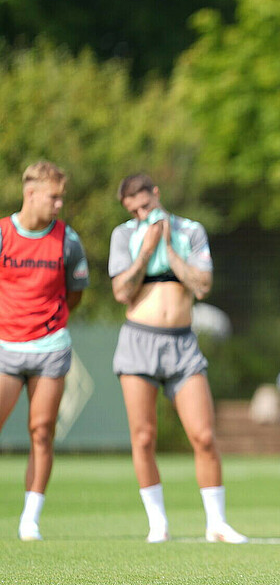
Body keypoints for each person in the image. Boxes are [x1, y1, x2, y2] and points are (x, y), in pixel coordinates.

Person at [109, 174, 247, 544]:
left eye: (144, 205)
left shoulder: (191, 231)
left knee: (203, 435)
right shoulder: (124, 235)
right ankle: (158, 524)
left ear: (157, 193)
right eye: (133, 210)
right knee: (143, 437)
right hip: (139, 342)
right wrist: (146, 249)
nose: (141, 214)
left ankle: (216, 523)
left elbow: (202, 285)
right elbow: (121, 291)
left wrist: (168, 249)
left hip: (183, 344)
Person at [0, 161, 89, 541]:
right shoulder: (3, 234)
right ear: (31, 193)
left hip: (50, 347)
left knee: (42, 431)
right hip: (5, 346)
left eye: (61, 198)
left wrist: (49, 321)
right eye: (53, 197)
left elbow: (76, 294)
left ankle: (30, 519)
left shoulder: (68, 240)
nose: (58, 204)